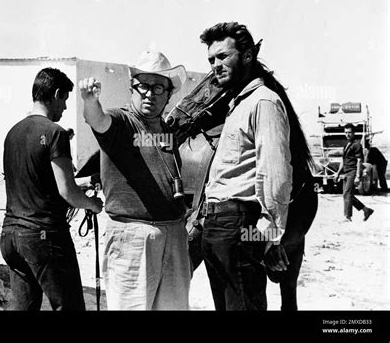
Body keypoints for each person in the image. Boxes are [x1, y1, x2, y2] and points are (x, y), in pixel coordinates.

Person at [198, 21, 313, 311]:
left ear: (248, 56)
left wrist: (270, 235)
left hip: (238, 225)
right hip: (219, 228)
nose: (216, 65)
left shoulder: (264, 102)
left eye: (223, 56)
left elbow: (274, 172)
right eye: (212, 59)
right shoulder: (239, 104)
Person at [78, 50, 191, 310]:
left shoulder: (168, 131)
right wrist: (90, 100)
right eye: (143, 86)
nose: (150, 93)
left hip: (173, 234)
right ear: (132, 88)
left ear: (169, 94)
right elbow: (98, 120)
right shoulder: (122, 122)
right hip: (133, 237)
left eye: (158, 87)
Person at [1, 67, 103, 311]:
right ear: (57, 93)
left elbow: (40, 181)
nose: (65, 108)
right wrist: (93, 204)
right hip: (43, 236)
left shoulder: (12, 133)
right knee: (70, 307)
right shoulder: (55, 133)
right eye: (65, 99)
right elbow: (67, 192)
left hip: (11, 237)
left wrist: (88, 181)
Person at [334, 124, 374, 221]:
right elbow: (343, 161)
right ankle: (366, 210)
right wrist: (338, 173)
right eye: (346, 132)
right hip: (346, 172)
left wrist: (357, 176)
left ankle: (348, 217)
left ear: (353, 133)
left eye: (349, 132)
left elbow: (359, 160)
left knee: (347, 194)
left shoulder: (357, 145)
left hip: (353, 171)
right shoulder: (346, 145)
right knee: (347, 194)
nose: (347, 134)